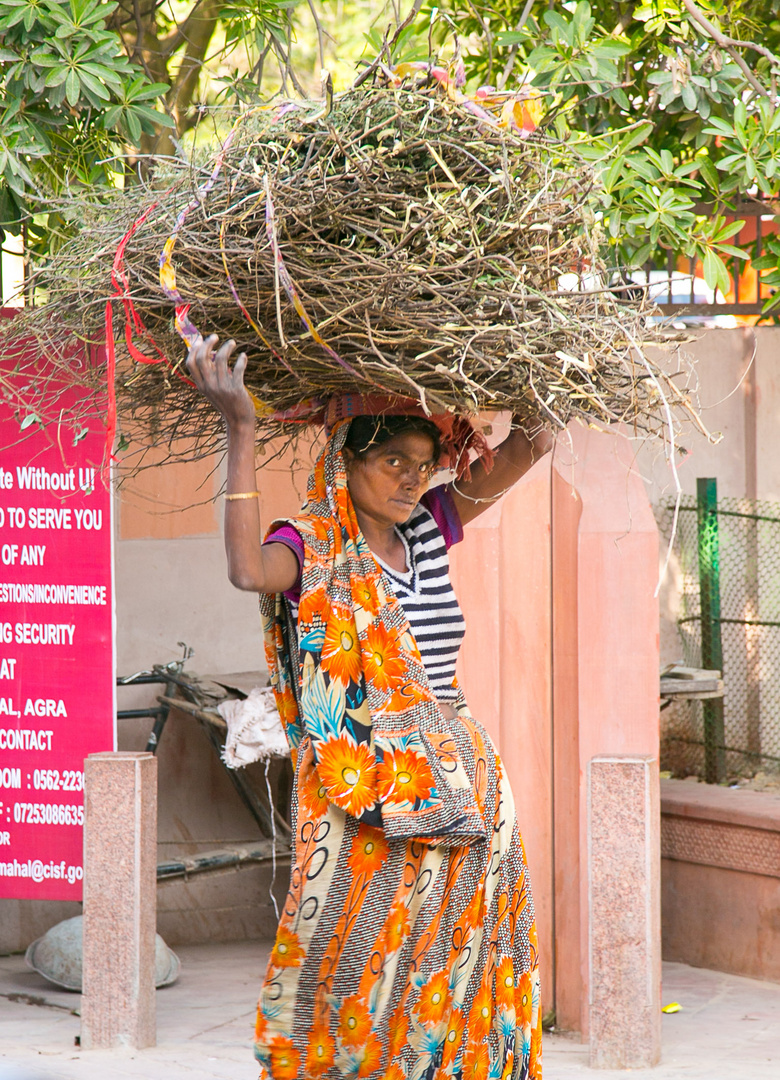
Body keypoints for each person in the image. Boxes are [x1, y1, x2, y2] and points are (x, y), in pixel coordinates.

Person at [187, 334, 550, 1080]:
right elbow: (245, 569)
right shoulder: (310, 544)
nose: (411, 480)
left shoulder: (429, 528)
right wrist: (241, 427)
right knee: (355, 965)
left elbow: (530, 447)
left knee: (459, 966)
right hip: (367, 796)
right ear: (345, 461)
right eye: (392, 463)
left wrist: (555, 356)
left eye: (422, 465)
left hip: (464, 787)